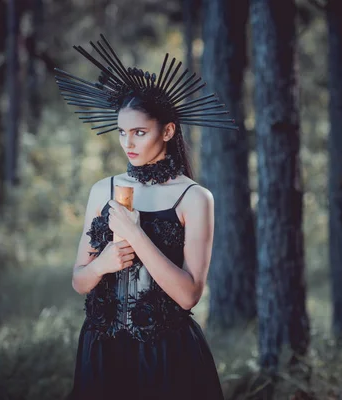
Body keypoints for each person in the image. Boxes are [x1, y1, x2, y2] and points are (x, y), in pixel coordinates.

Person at [55, 35, 238, 400]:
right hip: (102, 351)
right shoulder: (102, 190)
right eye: (123, 132)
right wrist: (102, 264)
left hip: (166, 356)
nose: (129, 143)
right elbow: (79, 281)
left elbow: (189, 296)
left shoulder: (195, 198)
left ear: (168, 131)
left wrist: (136, 236)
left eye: (140, 132)